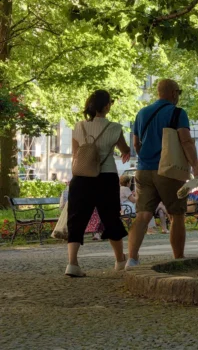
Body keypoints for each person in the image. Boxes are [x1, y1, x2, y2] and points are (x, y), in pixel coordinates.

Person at [126, 79, 198, 270]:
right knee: (177, 214)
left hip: (143, 170)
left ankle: (132, 259)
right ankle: (178, 258)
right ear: (174, 93)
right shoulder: (177, 113)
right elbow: (186, 141)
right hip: (168, 170)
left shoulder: (141, 113)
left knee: (142, 216)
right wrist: (196, 168)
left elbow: (136, 143)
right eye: (179, 92)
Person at [64, 90, 131, 277]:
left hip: (81, 177)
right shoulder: (115, 127)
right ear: (107, 106)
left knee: (76, 218)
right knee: (110, 217)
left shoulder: (78, 127)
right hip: (106, 177)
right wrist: (125, 152)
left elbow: (76, 155)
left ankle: (72, 263)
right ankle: (119, 260)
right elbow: (125, 150)